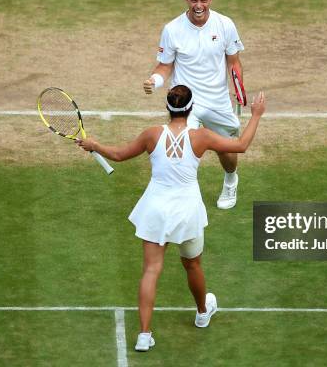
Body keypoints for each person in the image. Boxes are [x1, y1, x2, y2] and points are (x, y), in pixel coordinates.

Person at [76, 85, 265, 352]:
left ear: (168, 107)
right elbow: (241, 145)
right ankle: (202, 312)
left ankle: (144, 335)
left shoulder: (152, 134)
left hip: (155, 209)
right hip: (187, 211)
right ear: (190, 108)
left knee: (151, 270)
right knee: (193, 264)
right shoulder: (202, 136)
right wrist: (256, 114)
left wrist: (94, 145)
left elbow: (118, 155)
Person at [143, 0, 245, 210]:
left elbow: (234, 62)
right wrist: (154, 81)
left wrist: (239, 86)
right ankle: (181, 194)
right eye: (193, 0)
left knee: (225, 148)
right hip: (186, 101)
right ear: (186, 0)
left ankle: (230, 180)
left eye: (203, 0)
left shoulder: (225, 24)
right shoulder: (172, 29)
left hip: (217, 100)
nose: (198, 5)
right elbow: (165, 66)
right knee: (181, 147)